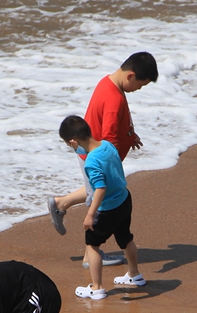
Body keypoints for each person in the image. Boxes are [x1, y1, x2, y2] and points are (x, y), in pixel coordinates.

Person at [47, 51, 158, 267]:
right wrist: (112, 166)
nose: (139, 90)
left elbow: (119, 118)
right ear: (130, 76)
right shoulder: (114, 98)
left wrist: (130, 135)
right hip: (95, 158)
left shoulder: (109, 82)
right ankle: (91, 255)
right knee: (98, 200)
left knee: (94, 190)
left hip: (89, 153)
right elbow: (108, 136)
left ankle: (61, 203)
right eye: (141, 85)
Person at [58, 115, 146, 300]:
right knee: (125, 238)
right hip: (124, 199)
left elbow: (100, 188)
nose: (72, 148)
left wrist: (90, 214)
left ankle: (96, 287)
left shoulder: (91, 161)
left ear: (74, 141)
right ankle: (134, 274)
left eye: (70, 145)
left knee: (92, 245)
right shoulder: (107, 146)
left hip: (107, 209)